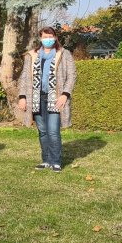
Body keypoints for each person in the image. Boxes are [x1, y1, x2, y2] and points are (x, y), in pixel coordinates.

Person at [18, 26, 77, 173]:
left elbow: (72, 75)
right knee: (43, 131)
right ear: (40, 38)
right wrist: (22, 96)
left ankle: (56, 161)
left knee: (53, 131)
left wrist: (65, 94)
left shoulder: (64, 54)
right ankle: (46, 160)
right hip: (36, 98)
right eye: (44, 37)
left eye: (50, 36)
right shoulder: (31, 55)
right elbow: (24, 77)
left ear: (56, 37)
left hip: (55, 98)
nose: (48, 39)